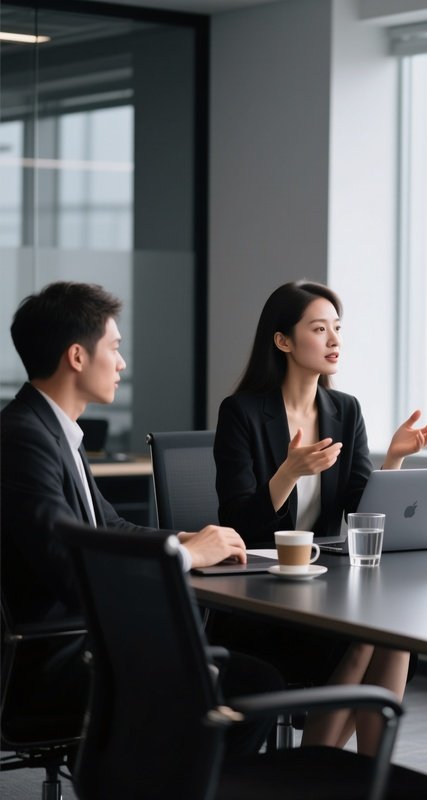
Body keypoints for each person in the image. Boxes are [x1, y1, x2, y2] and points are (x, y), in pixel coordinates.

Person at [0, 281, 283, 756]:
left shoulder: (51, 430)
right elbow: (70, 570)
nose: (122, 363)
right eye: (114, 348)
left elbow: (109, 529)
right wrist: (184, 554)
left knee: (248, 675)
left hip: (84, 643)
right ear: (76, 356)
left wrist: (185, 537)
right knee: (256, 687)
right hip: (54, 662)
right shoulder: (23, 439)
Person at [213, 280, 427, 756]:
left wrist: (394, 461)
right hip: (262, 599)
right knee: (363, 637)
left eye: (337, 328)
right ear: (283, 341)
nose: (335, 340)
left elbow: (360, 512)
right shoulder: (242, 413)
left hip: (324, 589)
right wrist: (288, 473)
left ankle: (361, 779)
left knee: (391, 636)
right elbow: (240, 523)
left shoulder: (344, 410)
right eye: (320, 329)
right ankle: (318, 777)